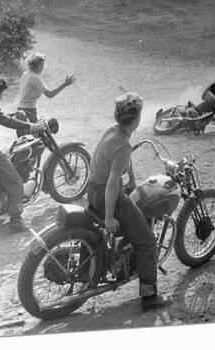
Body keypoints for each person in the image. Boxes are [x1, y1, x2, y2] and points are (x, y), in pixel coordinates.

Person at [87, 92, 171, 311]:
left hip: (93, 189)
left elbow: (124, 160)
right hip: (106, 194)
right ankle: (150, 296)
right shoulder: (123, 144)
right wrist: (109, 216)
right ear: (135, 119)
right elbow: (114, 181)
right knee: (147, 242)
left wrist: (132, 179)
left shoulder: (113, 131)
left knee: (136, 221)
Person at [0, 78, 46, 233]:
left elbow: (1, 118)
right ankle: (16, 220)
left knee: (3, 170)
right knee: (15, 180)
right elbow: (9, 123)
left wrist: (13, 115)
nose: (1, 97)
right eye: (0, 94)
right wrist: (32, 126)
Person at [16, 52, 76, 136]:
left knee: (24, 139)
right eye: (42, 65)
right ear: (39, 65)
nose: (43, 68)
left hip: (19, 110)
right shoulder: (35, 77)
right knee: (38, 138)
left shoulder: (25, 74)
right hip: (29, 111)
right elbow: (50, 94)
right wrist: (64, 85)